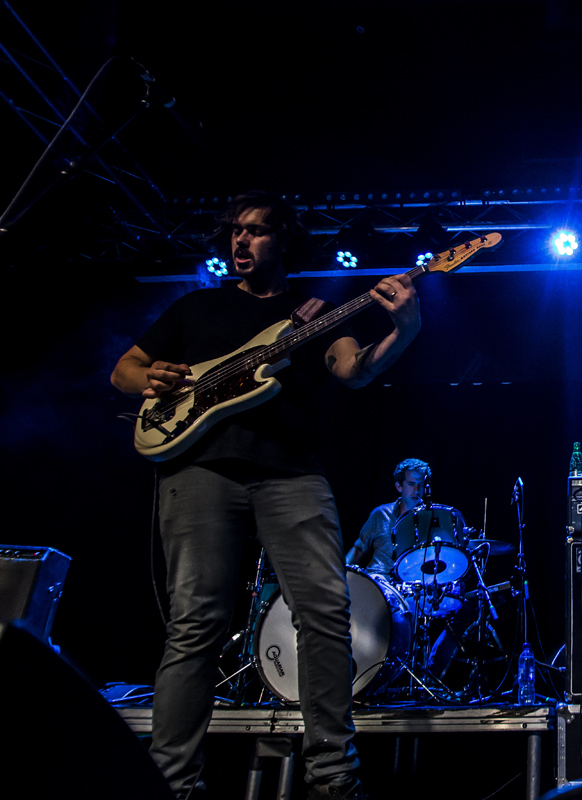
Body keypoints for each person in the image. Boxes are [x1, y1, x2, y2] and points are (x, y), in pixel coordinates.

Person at [111, 191, 421, 800]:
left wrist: (405, 327)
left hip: (290, 473)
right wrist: (148, 378)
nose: (240, 242)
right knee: (194, 625)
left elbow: (354, 369)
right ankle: (172, 784)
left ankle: (332, 779)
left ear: (283, 240)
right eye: (234, 233)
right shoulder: (196, 306)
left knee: (328, 616)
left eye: (254, 232)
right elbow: (125, 368)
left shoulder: (314, 313)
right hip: (198, 468)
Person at [346, 457, 432, 575]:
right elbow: (359, 548)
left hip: (412, 585)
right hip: (378, 581)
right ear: (399, 486)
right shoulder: (381, 514)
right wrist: (340, 574)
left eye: (420, 485)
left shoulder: (431, 518)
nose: (416, 490)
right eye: (411, 484)